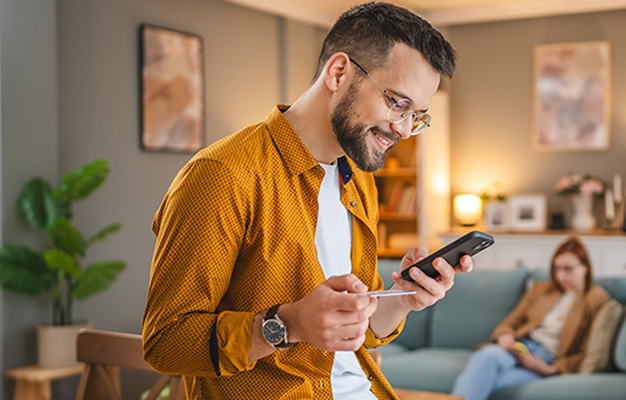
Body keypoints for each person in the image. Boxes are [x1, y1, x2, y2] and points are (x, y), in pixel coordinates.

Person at [143, 2, 462, 399]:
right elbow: (165, 342)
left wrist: (403, 300)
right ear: (339, 72)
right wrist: (287, 324)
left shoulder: (359, 179)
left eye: (416, 116)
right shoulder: (222, 175)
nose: (402, 129)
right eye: (397, 103)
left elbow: (356, 328)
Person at [451, 237, 611, 400]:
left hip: (545, 360)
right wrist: (504, 336)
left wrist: (550, 369)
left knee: (489, 381)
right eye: (556, 269)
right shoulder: (541, 289)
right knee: (487, 356)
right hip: (519, 347)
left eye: (567, 269)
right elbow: (510, 322)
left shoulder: (595, 299)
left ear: (585, 267)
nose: (560, 275)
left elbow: (587, 351)